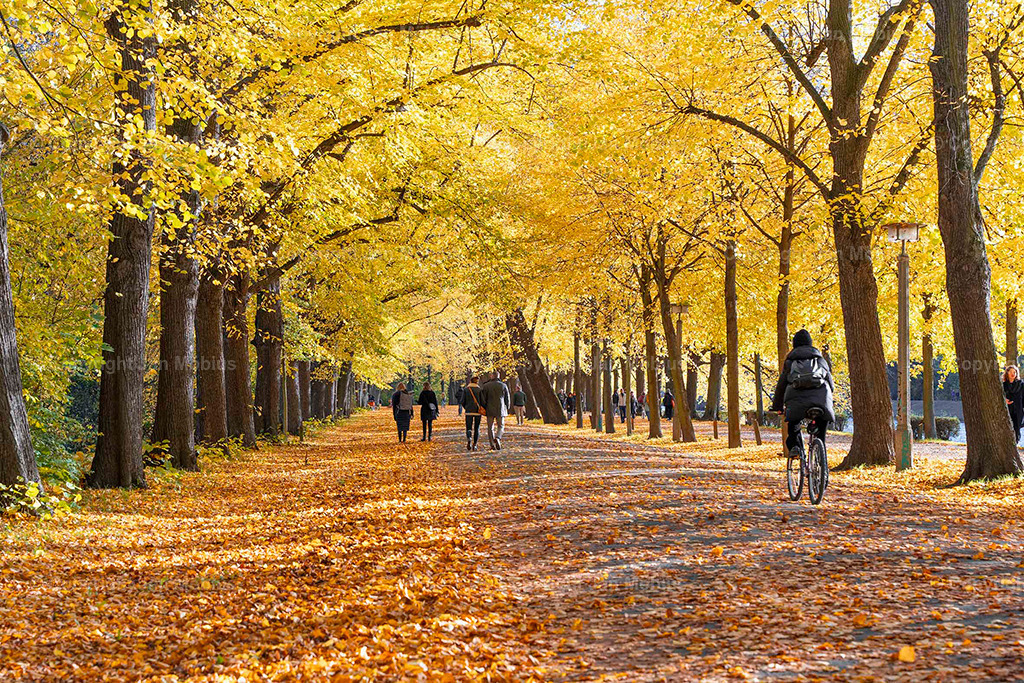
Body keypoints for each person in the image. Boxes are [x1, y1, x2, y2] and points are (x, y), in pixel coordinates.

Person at [771, 329, 835, 456]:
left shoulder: (790, 362)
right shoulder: (821, 360)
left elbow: (782, 385)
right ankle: (820, 453)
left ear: (795, 344)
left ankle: (796, 448)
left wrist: (777, 406)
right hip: (821, 400)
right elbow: (830, 384)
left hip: (796, 401)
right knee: (821, 427)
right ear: (810, 343)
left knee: (794, 423)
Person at [480, 370, 511, 450]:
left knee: (490, 427)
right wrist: (507, 407)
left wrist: (484, 407)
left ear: (492, 376)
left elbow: (483, 399)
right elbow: (507, 398)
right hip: (501, 409)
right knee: (501, 426)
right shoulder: (503, 385)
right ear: (498, 376)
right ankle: (498, 437)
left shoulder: (486, 386)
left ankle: (492, 445)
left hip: (489, 409)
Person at [460, 375, 484, 451]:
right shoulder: (479, 390)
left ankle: (469, 438)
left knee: (468, 427)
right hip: (477, 412)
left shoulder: (466, 389)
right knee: (477, 428)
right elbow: (483, 401)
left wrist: (466, 407)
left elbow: (462, 401)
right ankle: (475, 444)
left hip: (468, 411)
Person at [1004, 366, 1023, 443]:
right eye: (1011, 372)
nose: (1012, 374)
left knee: (1017, 428)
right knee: (1007, 428)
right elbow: (999, 396)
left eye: (1014, 372)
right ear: (1007, 373)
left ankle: (1015, 443)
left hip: (1018, 410)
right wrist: (1004, 400)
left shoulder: (1021, 384)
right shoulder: (1003, 385)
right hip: (1007, 410)